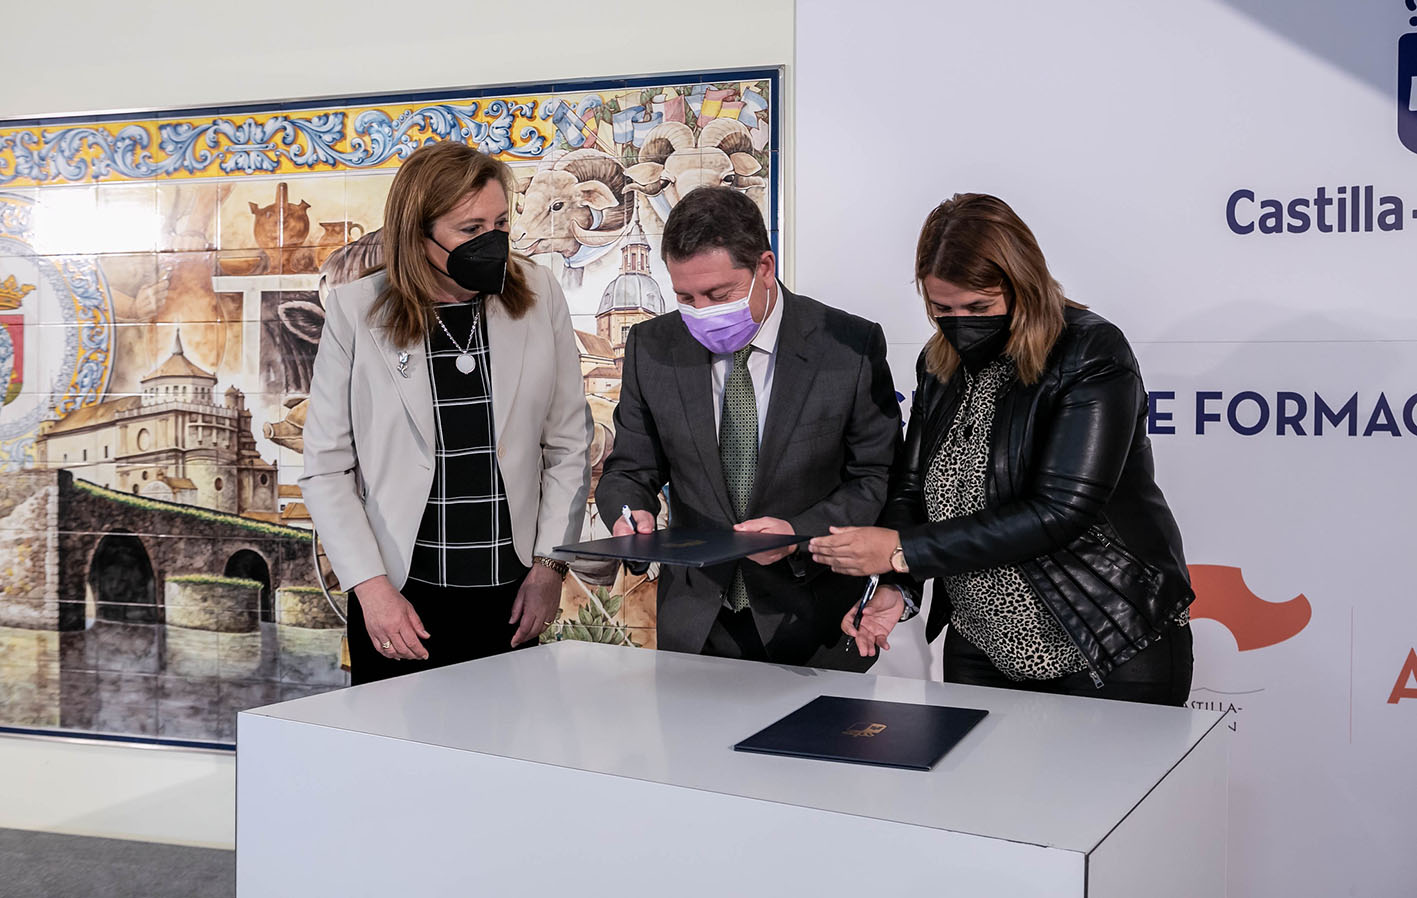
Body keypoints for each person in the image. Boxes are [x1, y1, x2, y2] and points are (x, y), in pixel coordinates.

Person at [809, 193, 1194, 705]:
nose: (959, 321)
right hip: (980, 644)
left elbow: (1060, 511)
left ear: (1024, 285)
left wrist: (902, 553)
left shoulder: (1091, 352)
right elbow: (910, 491)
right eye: (941, 308)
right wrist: (894, 587)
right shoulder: (939, 362)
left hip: (1106, 642)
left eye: (979, 307)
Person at [301, 141, 592, 685]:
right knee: (397, 766)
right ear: (418, 234)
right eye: (470, 229)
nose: (492, 242)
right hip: (400, 603)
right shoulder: (355, 312)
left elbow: (569, 443)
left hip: (513, 600)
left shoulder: (539, 294)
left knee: (507, 763)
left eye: (501, 223)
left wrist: (551, 567)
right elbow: (325, 467)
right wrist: (371, 588)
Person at [595, 186, 901, 668]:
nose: (701, 311)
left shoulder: (848, 346)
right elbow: (630, 468)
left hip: (814, 618)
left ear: (764, 267)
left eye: (719, 294)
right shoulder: (652, 347)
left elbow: (875, 477)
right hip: (697, 623)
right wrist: (627, 512)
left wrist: (795, 533)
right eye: (684, 297)